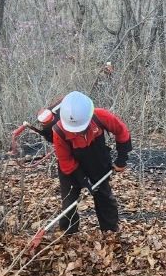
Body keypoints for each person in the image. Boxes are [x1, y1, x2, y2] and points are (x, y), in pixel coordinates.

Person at [51, 91, 132, 235]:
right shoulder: (59, 131)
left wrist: (122, 158)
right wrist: (82, 179)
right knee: (68, 205)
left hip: (97, 163)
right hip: (71, 170)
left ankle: (110, 231)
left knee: (104, 199)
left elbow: (121, 131)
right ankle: (68, 234)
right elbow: (65, 160)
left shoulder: (101, 116)